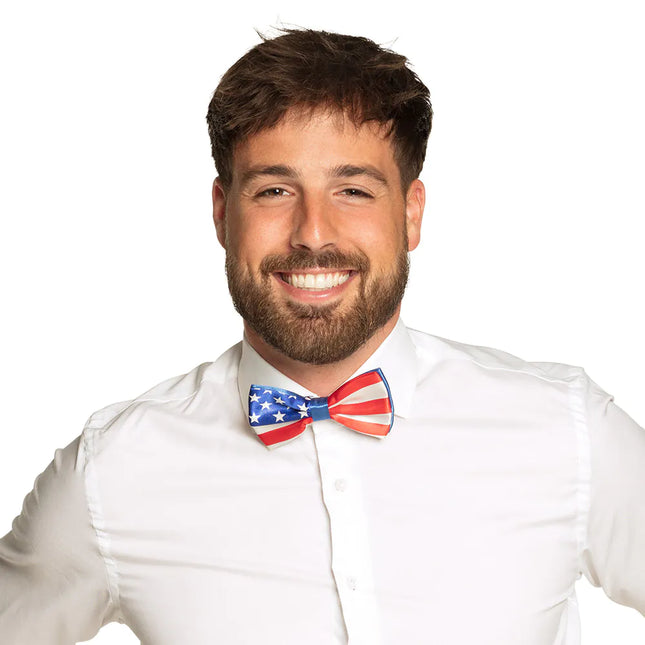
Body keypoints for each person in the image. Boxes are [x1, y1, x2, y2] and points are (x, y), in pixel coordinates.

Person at [1, 27, 643, 645]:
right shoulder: (112, 471)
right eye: (275, 190)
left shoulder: (569, 432)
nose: (312, 232)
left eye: (353, 190)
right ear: (222, 214)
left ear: (411, 213)